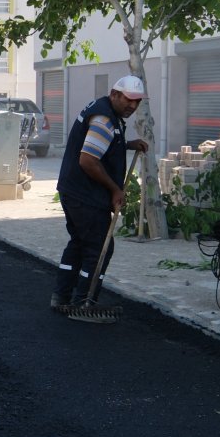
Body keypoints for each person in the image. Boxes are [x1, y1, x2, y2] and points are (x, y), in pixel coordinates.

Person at [52, 75, 150, 318]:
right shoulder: (105, 120)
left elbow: (101, 143)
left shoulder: (103, 111)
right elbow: (88, 160)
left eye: (137, 102)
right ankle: (84, 301)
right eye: (129, 100)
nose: (133, 106)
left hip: (72, 189)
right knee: (99, 248)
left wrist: (127, 144)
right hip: (86, 195)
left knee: (79, 242)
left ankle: (62, 295)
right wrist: (115, 189)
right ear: (115, 94)